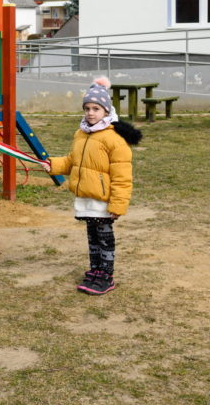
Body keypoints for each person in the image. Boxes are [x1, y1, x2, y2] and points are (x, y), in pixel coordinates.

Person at [44, 77, 141, 295]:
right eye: (87, 108)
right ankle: (95, 270)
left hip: (103, 201)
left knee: (105, 237)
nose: (90, 113)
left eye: (96, 108)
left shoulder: (114, 139)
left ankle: (107, 275)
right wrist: (52, 164)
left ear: (106, 111)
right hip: (87, 197)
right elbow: (72, 161)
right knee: (92, 236)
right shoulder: (81, 134)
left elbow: (122, 176)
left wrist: (118, 204)